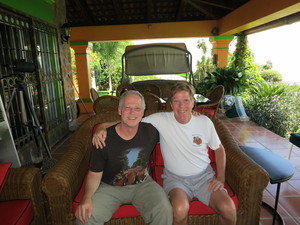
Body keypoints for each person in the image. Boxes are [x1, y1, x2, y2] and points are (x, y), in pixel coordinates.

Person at [93, 82, 237, 225]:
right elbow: (129, 121)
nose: (181, 106)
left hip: (204, 177)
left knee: (229, 209)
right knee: (180, 209)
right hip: (176, 180)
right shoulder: (161, 120)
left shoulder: (204, 121)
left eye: (186, 100)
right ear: (171, 104)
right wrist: (102, 127)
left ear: (193, 102)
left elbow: (219, 149)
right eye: (176, 101)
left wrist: (221, 178)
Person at [75, 90, 173, 225]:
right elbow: (94, 174)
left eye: (137, 108)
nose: (132, 112)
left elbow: (178, 122)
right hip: (110, 187)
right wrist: (86, 198)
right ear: (120, 110)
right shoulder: (103, 138)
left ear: (143, 112)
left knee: (165, 210)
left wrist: (196, 115)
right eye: (127, 108)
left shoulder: (151, 131)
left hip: (143, 184)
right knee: (84, 219)